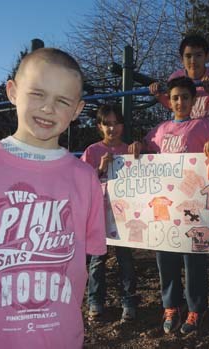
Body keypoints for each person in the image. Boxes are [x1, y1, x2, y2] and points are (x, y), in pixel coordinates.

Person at [0, 48, 107, 349]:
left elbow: (93, 246)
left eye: (62, 101)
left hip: (57, 337)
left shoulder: (85, 179)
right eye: (38, 94)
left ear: (78, 110)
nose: (48, 108)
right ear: (13, 92)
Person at [130, 76, 209, 335]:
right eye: (175, 97)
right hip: (164, 207)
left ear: (193, 100)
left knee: (194, 260)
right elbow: (146, 146)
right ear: (170, 100)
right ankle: (170, 306)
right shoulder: (160, 129)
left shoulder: (204, 125)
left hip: (195, 206)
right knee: (164, 257)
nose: (180, 102)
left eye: (185, 97)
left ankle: (196, 308)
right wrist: (138, 145)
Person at [82, 104, 139, 322]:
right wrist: (99, 169)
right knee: (97, 261)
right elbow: (82, 183)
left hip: (124, 217)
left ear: (122, 126)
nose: (112, 129)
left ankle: (129, 302)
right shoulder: (92, 151)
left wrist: (138, 151)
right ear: (99, 127)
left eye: (116, 124)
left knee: (126, 260)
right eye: (107, 124)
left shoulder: (129, 150)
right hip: (99, 216)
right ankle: (95, 302)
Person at [149, 34, 209, 126]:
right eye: (188, 56)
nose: (193, 61)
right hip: (189, 135)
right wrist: (159, 95)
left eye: (198, 55)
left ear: (207, 57)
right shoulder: (176, 78)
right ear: (181, 59)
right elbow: (173, 107)